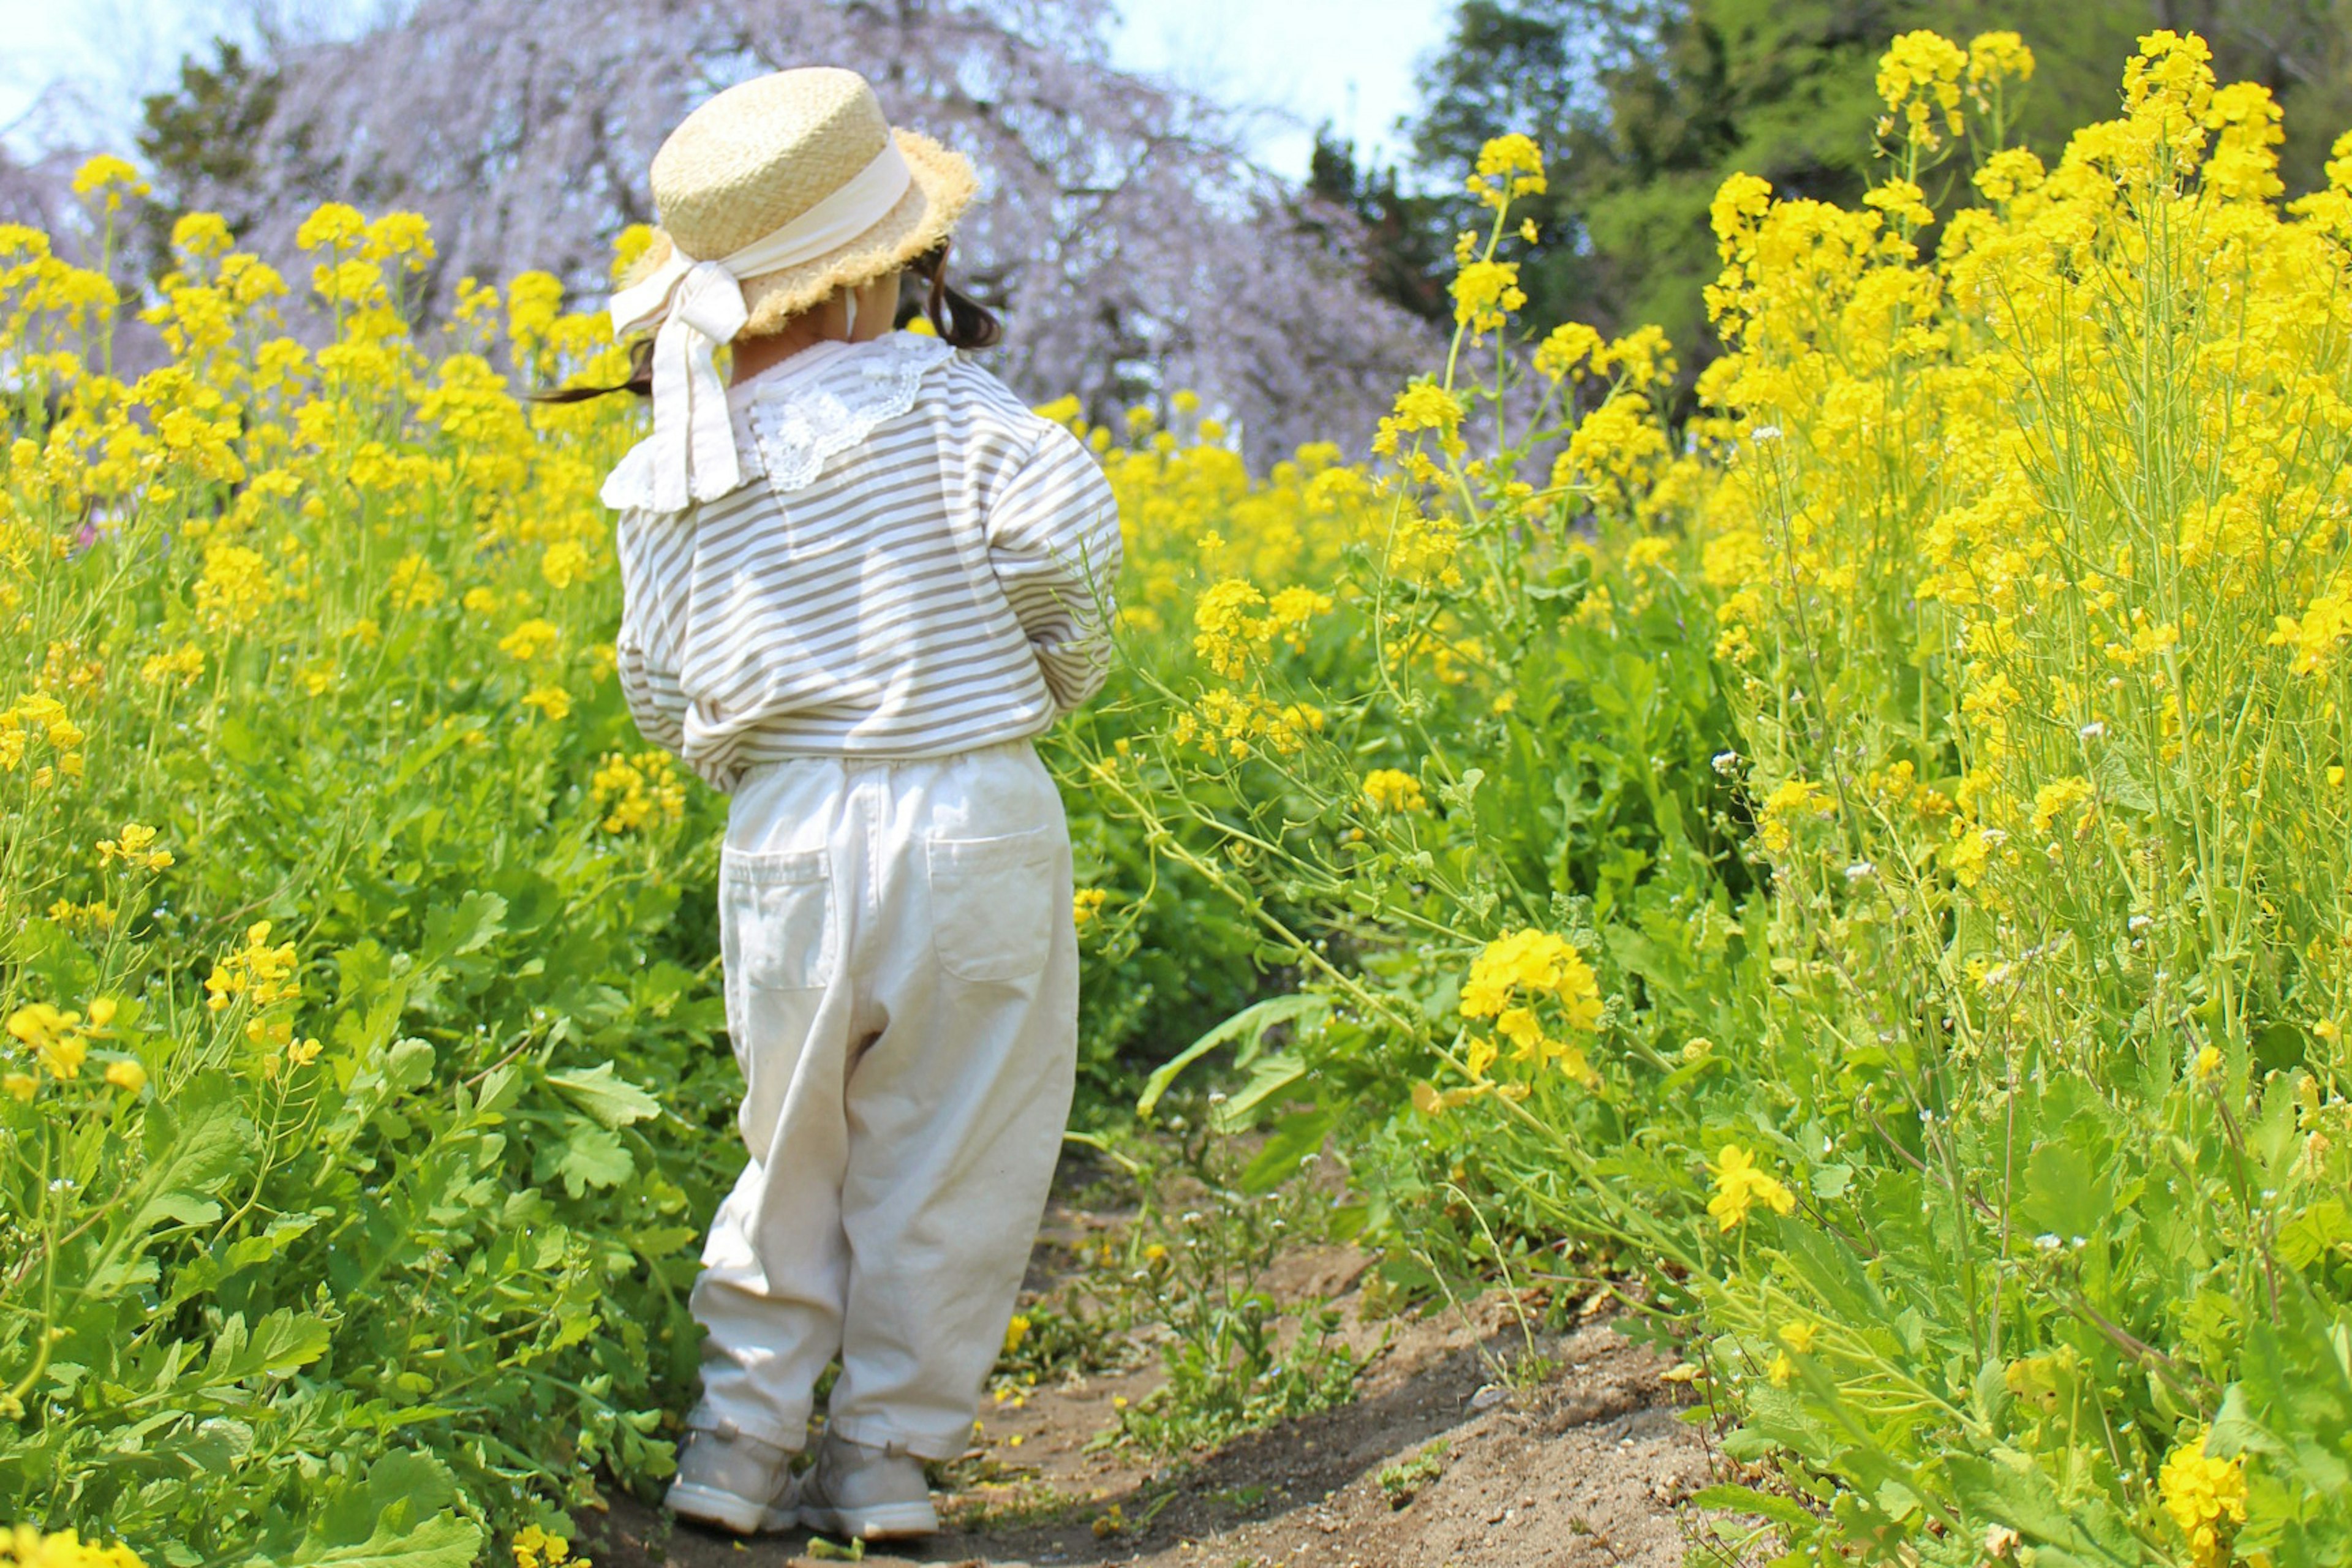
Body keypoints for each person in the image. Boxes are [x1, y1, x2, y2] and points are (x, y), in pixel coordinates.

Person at [582, 65, 1121, 1541]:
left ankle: (735, 1448)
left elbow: (657, 675)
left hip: (791, 835)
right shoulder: (954, 404)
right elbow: (1063, 530)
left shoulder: (673, 465)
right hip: (976, 818)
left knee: (792, 1141)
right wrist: (1055, 675)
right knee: (951, 1147)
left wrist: (747, 754)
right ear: (873, 280)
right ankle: (885, 1456)